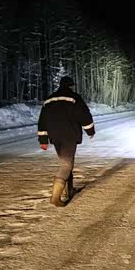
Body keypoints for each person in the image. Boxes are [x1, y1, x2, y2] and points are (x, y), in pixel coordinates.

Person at [37, 76, 95, 206]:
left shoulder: (49, 100)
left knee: (67, 162)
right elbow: (84, 115)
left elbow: (42, 121)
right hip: (69, 135)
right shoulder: (74, 98)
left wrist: (43, 139)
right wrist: (90, 131)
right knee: (66, 165)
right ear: (71, 86)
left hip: (55, 137)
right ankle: (55, 197)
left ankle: (69, 190)